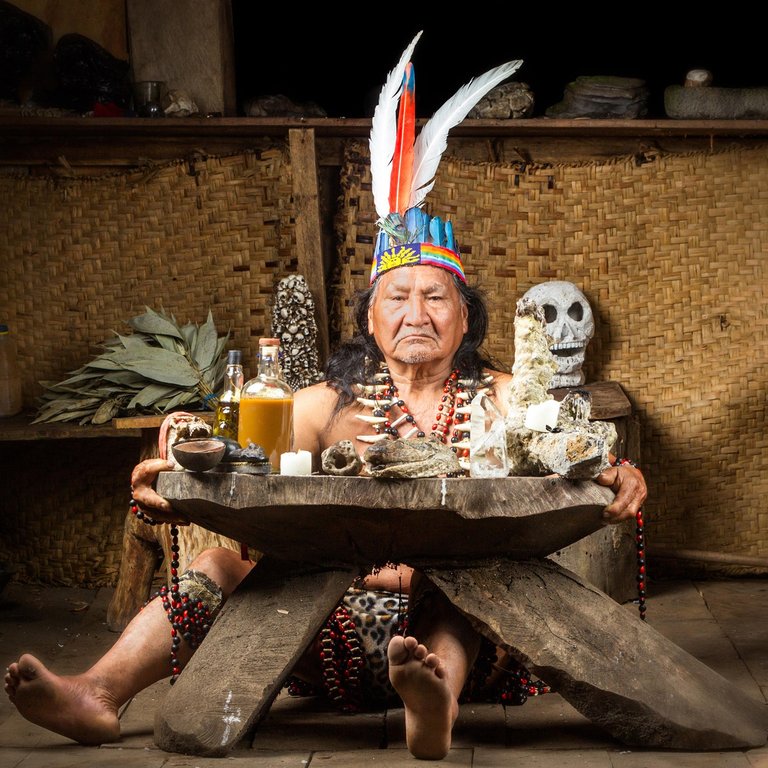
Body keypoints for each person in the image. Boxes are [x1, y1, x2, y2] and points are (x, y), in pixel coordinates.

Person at [4, 35, 647, 761]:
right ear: (370, 319)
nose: (416, 313)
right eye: (396, 298)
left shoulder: (505, 397)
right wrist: (173, 474)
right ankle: (100, 692)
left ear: (466, 318)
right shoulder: (319, 405)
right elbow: (241, 471)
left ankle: (431, 699)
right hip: (318, 635)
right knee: (216, 568)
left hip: (472, 630)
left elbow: (577, 451)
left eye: (436, 297)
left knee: (456, 588)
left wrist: (616, 471)